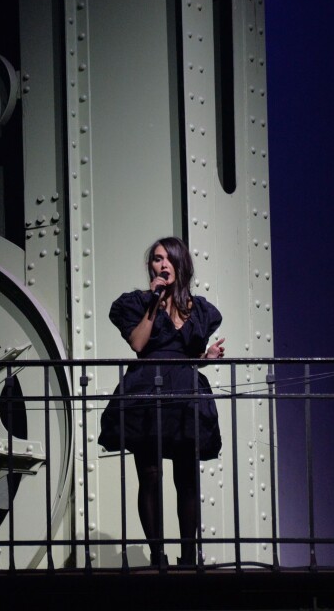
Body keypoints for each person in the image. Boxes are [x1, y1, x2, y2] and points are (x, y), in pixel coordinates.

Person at [98, 236, 225, 568]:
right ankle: (157, 555)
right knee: (150, 475)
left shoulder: (200, 310)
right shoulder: (137, 302)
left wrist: (206, 356)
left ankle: (188, 556)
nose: (163, 264)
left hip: (184, 393)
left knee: (186, 476)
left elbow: (188, 353)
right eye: (157, 259)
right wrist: (154, 304)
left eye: (169, 259)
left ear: (181, 265)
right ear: (150, 266)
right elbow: (140, 344)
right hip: (146, 390)